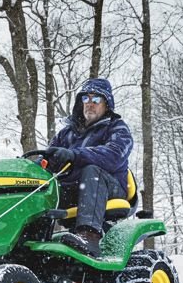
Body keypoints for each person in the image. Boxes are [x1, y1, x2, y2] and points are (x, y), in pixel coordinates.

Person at [42, 78, 133, 258]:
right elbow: (49, 156)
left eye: (96, 99)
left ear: (107, 104)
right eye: (86, 98)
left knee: (91, 171)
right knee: (39, 184)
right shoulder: (66, 134)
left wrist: (74, 154)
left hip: (109, 187)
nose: (90, 103)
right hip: (72, 189)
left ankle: (89, 236)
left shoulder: (117, 128)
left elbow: (114, 155)